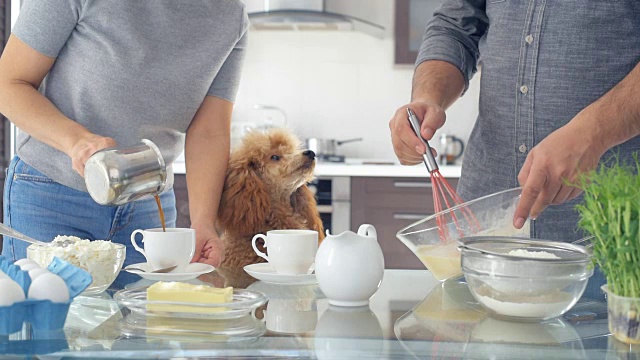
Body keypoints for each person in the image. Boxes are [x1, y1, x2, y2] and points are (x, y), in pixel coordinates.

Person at [389, 2, 640, 300]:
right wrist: (428, 98)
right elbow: (455, 26)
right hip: (481, 241)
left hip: (613, 245)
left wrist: (593, 134)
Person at [0, 0, 248, 288]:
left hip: (148, 210)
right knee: (49, 326)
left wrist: (203, 221)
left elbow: (209, 131)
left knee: (141, 328)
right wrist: (75, 141)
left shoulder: (230, 15)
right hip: (52, 196)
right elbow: (9, 83)